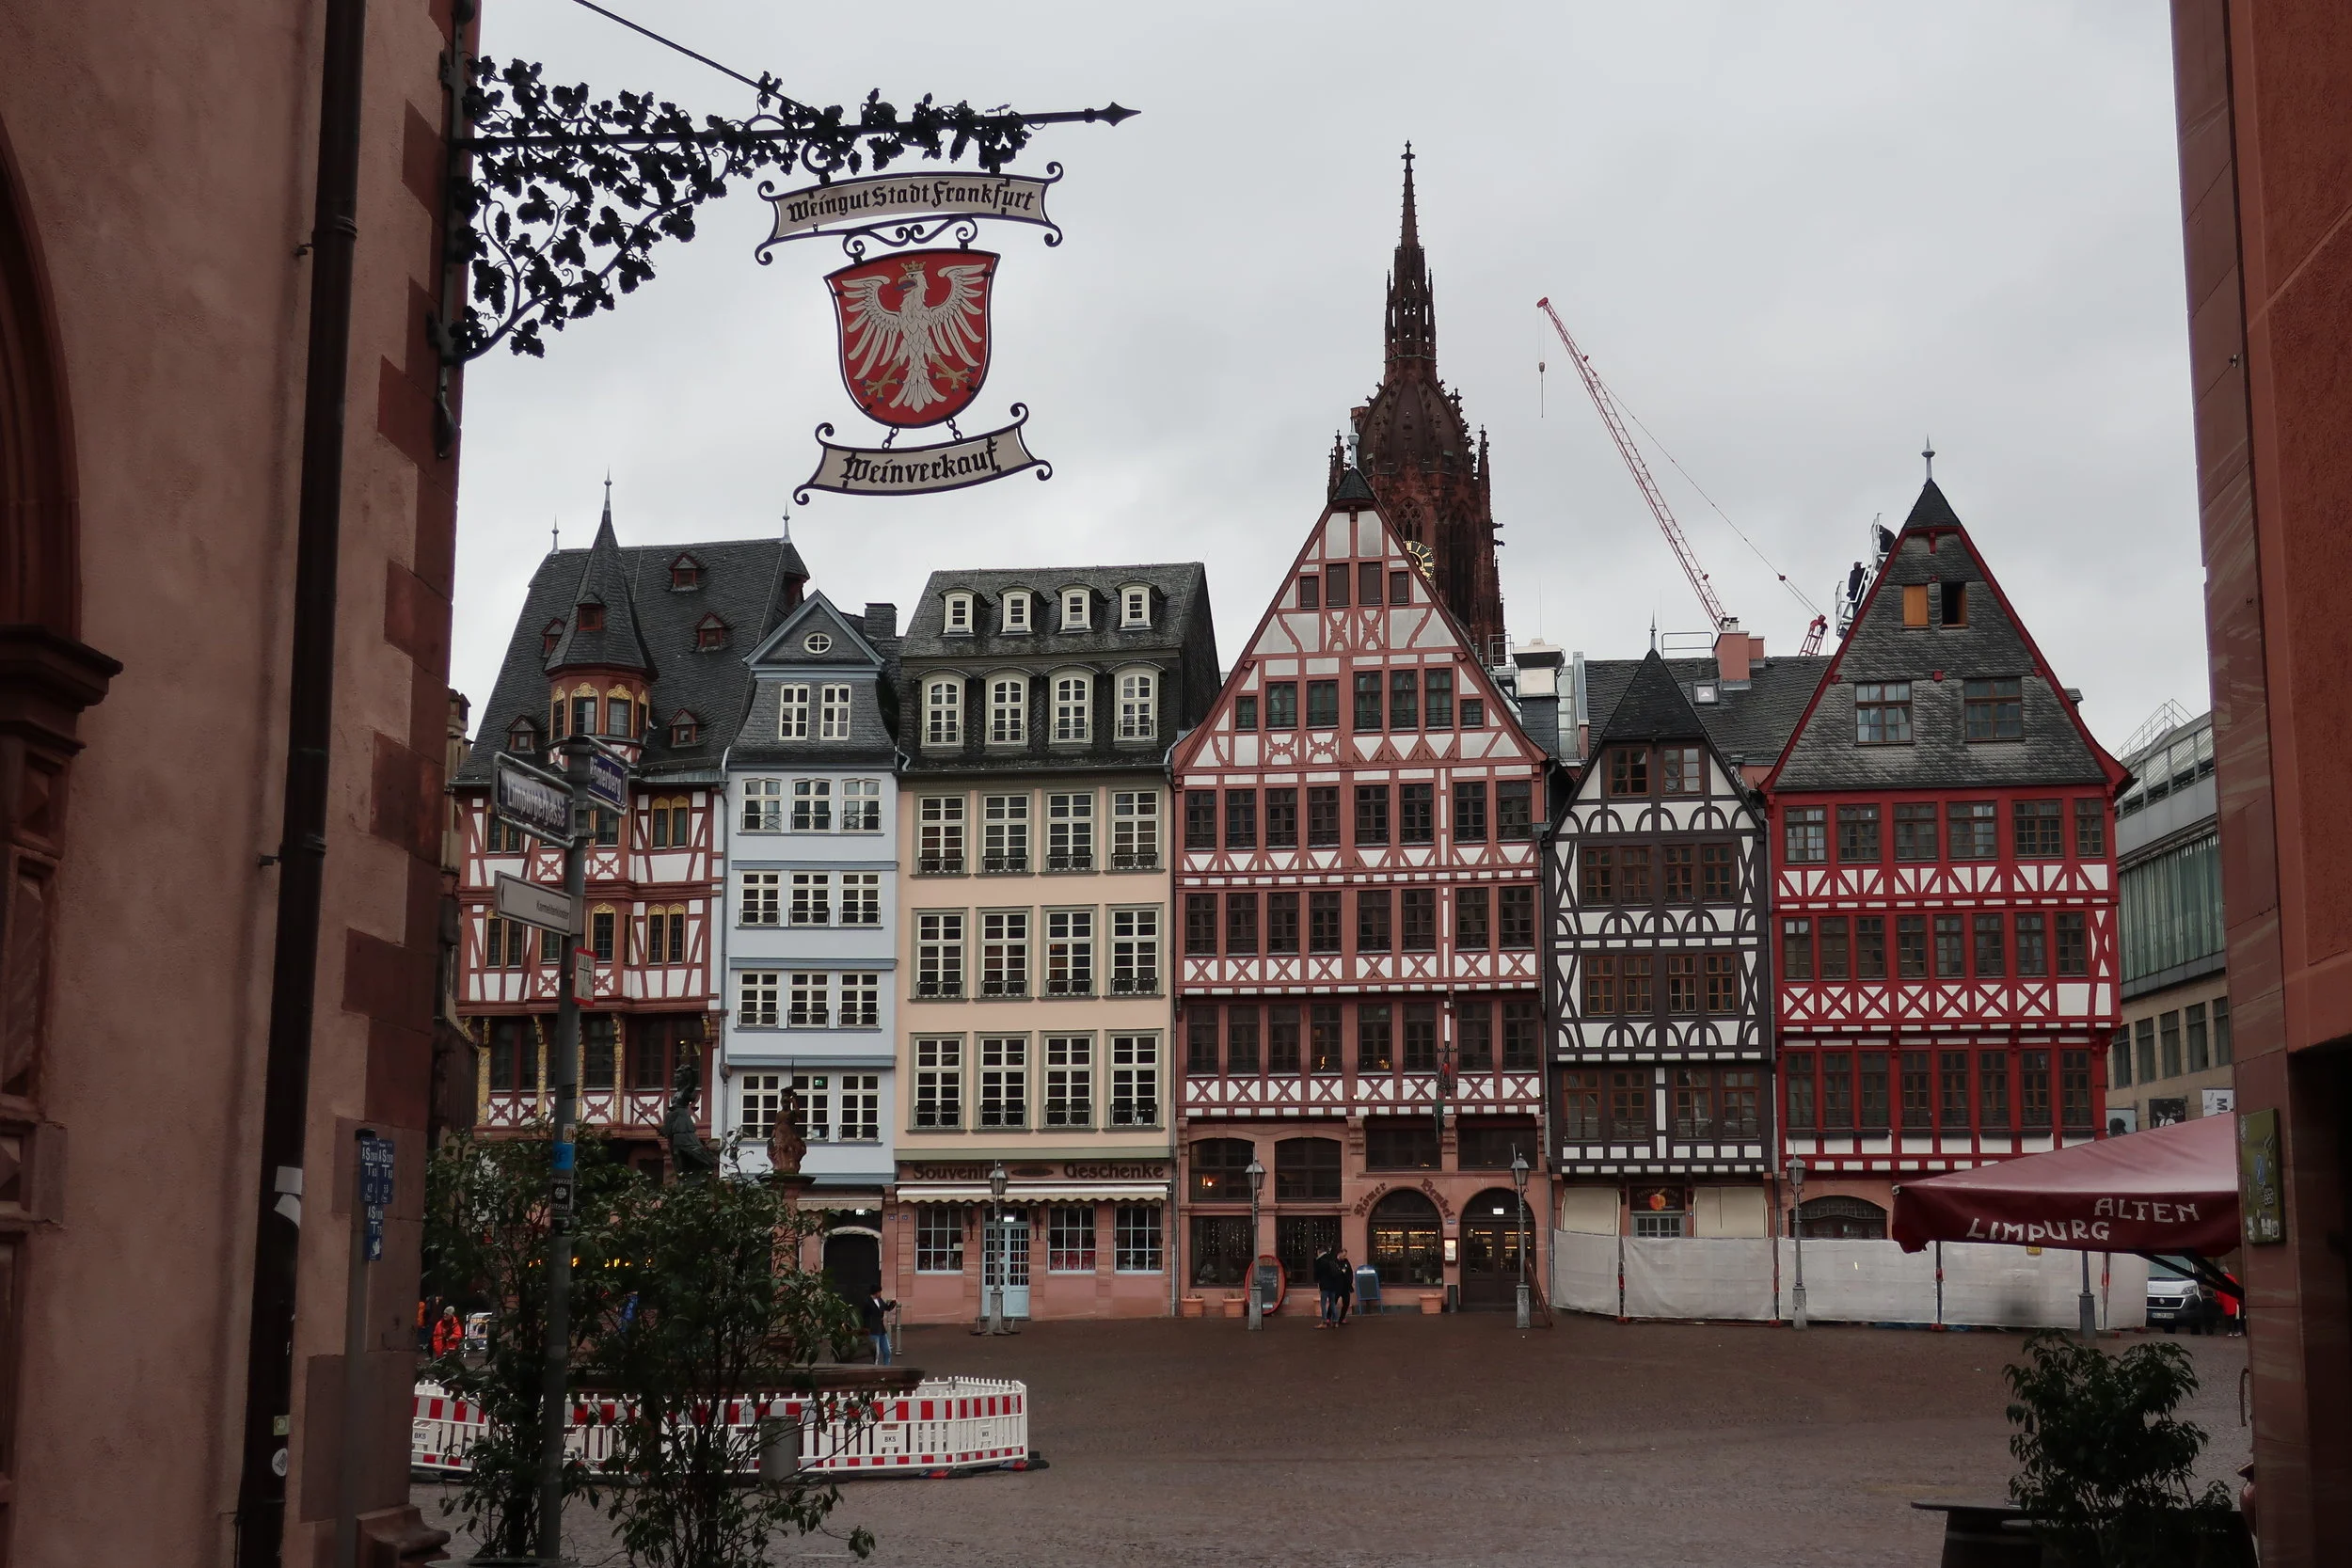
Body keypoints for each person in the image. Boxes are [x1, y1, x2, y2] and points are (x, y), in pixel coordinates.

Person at [862, 1288, 897, 1366]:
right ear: (876, 1293)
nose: (880, 1294)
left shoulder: (880, 1300)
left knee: (887, 1351)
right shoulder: (867, 1302)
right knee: (876, 1353)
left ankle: (887, 1367)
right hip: (873, 1329)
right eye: (879, 1292)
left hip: (881, 1329)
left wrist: (892, 1304)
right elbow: (865, 1316)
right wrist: (866, 1327)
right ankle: (874, 1369)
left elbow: (887, 1308)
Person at [1311, 1246, 1340, 1328]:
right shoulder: (1331, 1259)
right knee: (1333, 1303)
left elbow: (1317, 1274)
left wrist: (1317, 1282)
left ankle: (1324, 1322)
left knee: (1323, 1303)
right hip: (1333, 1285)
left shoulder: (1320, 1261)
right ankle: (1335, 1321)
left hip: (1324, 1285)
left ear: (1319, 1252)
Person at [1334, 1250, 1355, 1325]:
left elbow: (1350, 1273)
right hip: (1337, 1286)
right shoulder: (1334, 1262)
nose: (1345, 1257)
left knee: (1346, 1303)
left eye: (1345, 1255)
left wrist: (1350, 1282)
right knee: (1333, 1302)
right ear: (1339, 1254)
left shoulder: (1346, 1262)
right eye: (1343, 1255)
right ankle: (1328, 1318)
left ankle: (1342, 1318)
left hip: (1345, 1286)